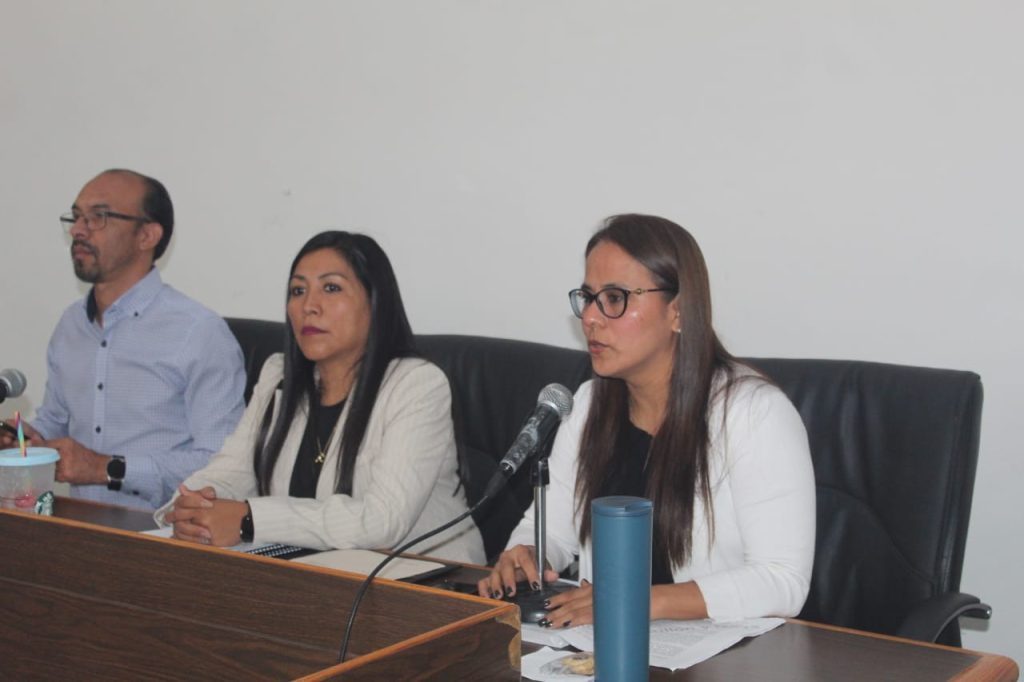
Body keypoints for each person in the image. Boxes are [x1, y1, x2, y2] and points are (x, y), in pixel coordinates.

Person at [478, 214, 815, 627]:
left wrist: (634, 600)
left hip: (726, 647)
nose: (591, 318)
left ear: (678, 312)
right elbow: (553, 531)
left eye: (615, 298)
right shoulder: (587, 405)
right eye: (588, 297)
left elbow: (782, 581)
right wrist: (528, 555)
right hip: (606, 641)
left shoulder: (755, 413)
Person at [158, 231, 485, 564]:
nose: (309, 307)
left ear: (375, 302)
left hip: (426, 576)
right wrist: (195, 504)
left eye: (331, 288)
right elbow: (232, 471)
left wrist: (250, 519)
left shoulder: (417, 385)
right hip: (316, 571)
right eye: (298, 291)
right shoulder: (278, 375)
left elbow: (382, 521)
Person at [0, 169, 245, 510]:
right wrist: (24, 440)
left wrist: (107, 468)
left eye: (98, 217)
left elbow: (224, 469)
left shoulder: (198, 333)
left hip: (164, 531)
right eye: (76, 216)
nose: (78, 230)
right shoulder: (71, 325)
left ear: (147, 235)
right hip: (78, 524)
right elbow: (56, 422)